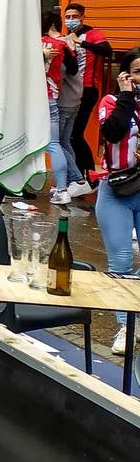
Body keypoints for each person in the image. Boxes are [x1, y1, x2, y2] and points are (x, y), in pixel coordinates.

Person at [96, 47, 140, 354]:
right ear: (125, 73)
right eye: (137, 71)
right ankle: (126, 326)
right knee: (121, 261)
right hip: (116, 191)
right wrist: (126, 94)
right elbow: (111, 134)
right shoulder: (111, 101)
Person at [65, 3, 113, 185]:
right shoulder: (65, 36)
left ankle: (89, 175)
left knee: (75, 135)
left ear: (82, 17)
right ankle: (79, 176)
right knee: (69, 136)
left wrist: (82, 42)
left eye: (74, 16)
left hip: (87, 90)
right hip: (69, 92)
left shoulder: (92, 34)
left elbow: (107, 50)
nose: (71, 20)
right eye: (67, 16)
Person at [42, 11, 80, 205]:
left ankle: (63, 187)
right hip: (54, 98)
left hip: (37, 99)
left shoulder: (33, 43)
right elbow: (73, 69)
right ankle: (67, 186)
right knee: (58, 143)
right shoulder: (62, 44)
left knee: (52, 144)